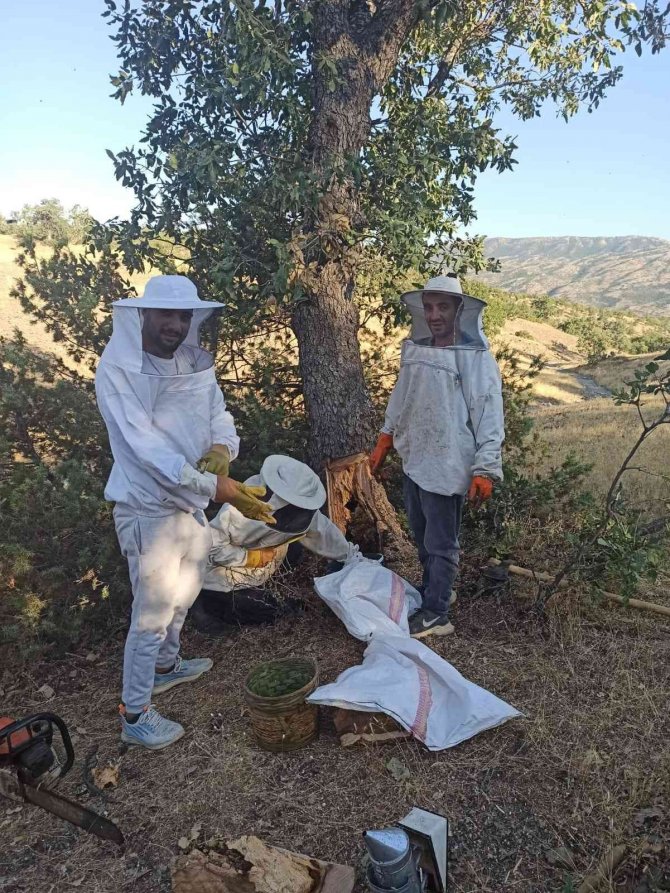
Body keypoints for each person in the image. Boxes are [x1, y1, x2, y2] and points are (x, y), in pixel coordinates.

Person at [95, 275, 275, 750]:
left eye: (182, 316)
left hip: (189, 505)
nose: (174, 324)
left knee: (187, 589)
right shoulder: (118, 369)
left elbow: (217, 411)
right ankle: (135, 713)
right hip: (148, 509)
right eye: (165, 314)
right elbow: (145, 447)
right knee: (152, 612)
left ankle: (165, 666)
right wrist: (217, 486)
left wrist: (222, 448)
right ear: (143, 315)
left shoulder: (191, 361)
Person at [369, 274, 504, 640]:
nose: (434, 315)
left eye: (443, 307)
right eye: (428, 307)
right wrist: (386, 436)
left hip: (448, 461)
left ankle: (437, 613)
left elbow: (488, 412)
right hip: (415, 455)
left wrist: (485, 468)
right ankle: (436, 589)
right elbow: (403, 393)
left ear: (459, 310)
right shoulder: (416, 348)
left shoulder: (475, 357)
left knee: (441, 542)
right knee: (422, 534)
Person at [191, 454, 368, 634]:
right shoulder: (239, 508)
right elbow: (209, 547)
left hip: (267, 561)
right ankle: (201, 603)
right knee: (267, 609)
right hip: (223, 569)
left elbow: (323, 531)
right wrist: (250, 558)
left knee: (295, 551)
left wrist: (349, 556)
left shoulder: (300, 511)